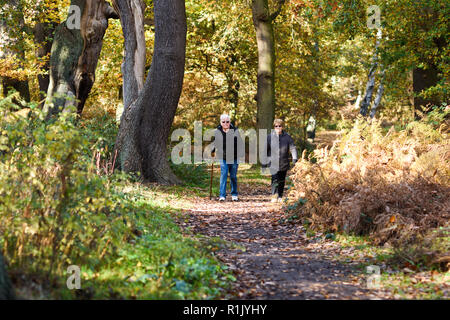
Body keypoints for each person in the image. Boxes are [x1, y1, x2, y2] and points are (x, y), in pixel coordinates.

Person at [213, 114, 244, 202]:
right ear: (220, 122)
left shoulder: (235, 130)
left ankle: (234, 194)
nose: (226, 123)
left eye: (227, 121)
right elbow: (215, 143)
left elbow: (240, 143)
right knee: (224, 174)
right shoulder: (217, 131)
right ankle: (222, 195)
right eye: (223, 122)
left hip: (234, 157)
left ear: (230, 122)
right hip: (223, 157)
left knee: (233, 176)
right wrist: (212, 150)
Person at [265, 119, 298, 202]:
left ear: (282, 127)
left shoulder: (287, 137)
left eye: (280, 126)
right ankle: (274, 196)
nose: (278, 127)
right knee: (274, 179)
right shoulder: (269, 137)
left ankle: (280, 196)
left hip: (284, 162)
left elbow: (293, 148)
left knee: (281, 180)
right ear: (274, 127)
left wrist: (294, 159)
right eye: (276, 126)